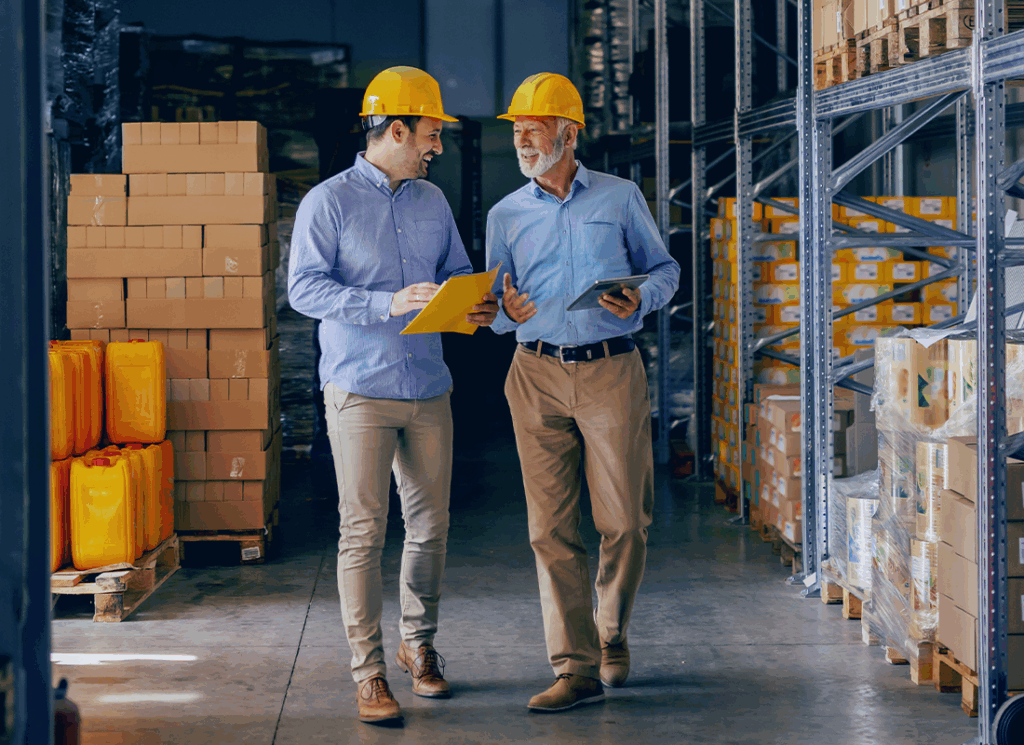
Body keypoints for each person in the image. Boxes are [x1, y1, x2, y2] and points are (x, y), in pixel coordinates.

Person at [288, 66, 499, 725]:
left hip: (428, 384)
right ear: (397, 129)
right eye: (431, 134)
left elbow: (456, 275)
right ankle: (369, 671)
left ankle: (418, 643)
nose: (437, 147)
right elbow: (304, 289)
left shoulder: (431, 203)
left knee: (430, 525)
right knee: (363, 530)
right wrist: (386, 302)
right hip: (359, 388)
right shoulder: (327, 202)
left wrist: (474, 305)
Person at [486, 72, 680, 713]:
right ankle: (575, 666)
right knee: (550, 529)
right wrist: (503, 310)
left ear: (569, 133)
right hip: (534, 371)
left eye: (533, 126)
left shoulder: (622, 198)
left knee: (624, 519)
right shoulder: (505, 214)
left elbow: (665, 268)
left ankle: (611, 630)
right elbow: (494, 309)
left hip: (609, 369)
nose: (521, 136)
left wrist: (640, 298)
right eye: (516, 128)